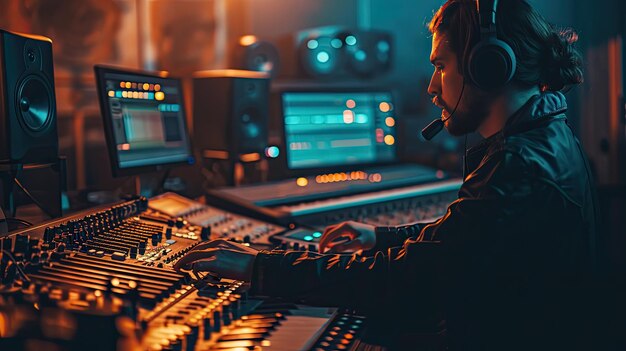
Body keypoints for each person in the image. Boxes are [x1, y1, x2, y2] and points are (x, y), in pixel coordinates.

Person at [175, 1, 602, 349]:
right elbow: (467, 238)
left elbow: (407, 279)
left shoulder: (518, 164)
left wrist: (260, 268)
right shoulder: (548, 135)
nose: (433, 87)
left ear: (485, 67)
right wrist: (382, 237)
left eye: (441, 66)